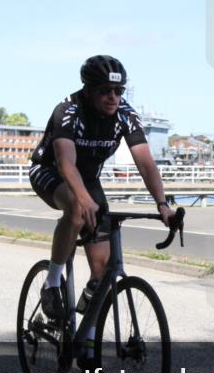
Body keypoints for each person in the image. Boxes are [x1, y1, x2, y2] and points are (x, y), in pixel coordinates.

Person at [29, 55, 175, 321]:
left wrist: (162, 204)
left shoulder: (125, 115)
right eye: (105, 90)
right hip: (50, 170)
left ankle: (86, 337)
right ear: (88, 90)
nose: (113, 97)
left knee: (102, 273)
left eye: (119, 91)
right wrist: (83, 200)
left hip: (88, 179)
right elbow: (65, 163)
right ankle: (51, 283)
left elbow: (145, 162)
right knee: (75, 208)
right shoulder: (68, 111)